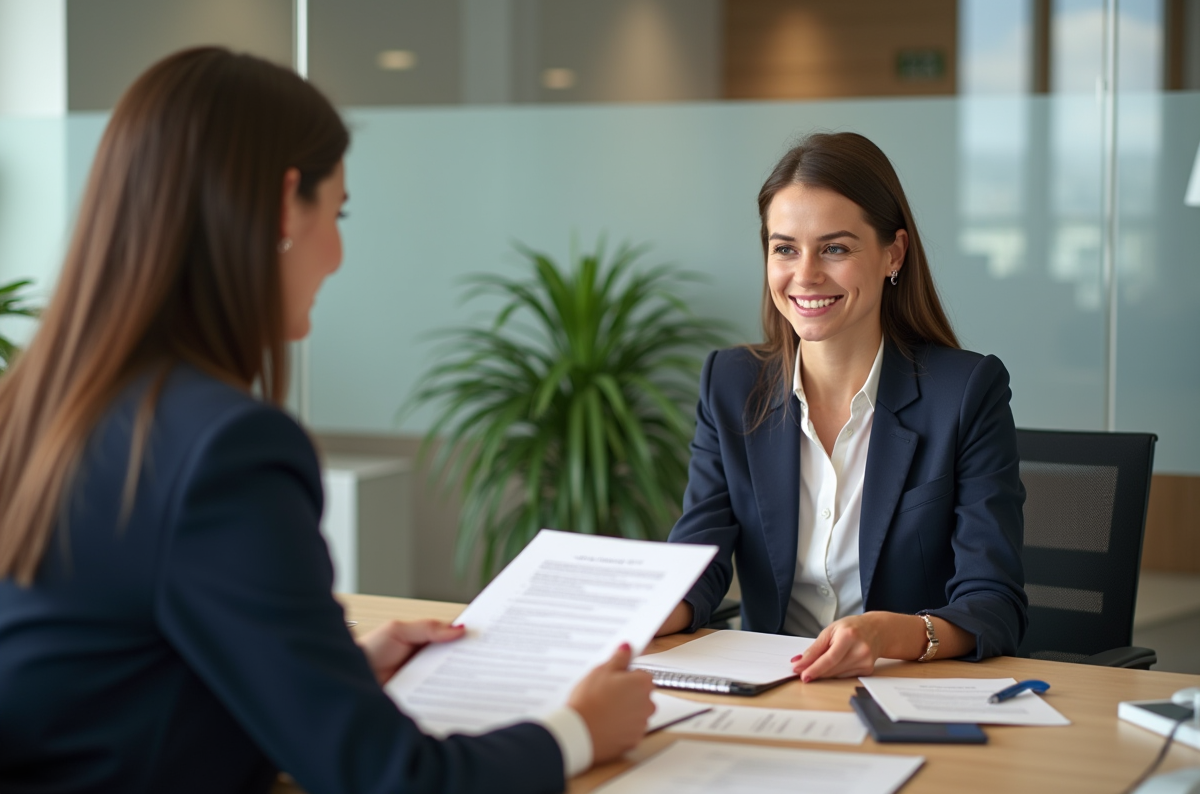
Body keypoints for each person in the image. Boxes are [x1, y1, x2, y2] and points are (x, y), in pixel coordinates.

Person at [0, 47, 652, 794]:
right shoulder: (223, 448)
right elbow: (393, 781)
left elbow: (110, 679)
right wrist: (579, 729)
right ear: (286, 204)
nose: (338, 255)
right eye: (337, 212)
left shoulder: (34, 410)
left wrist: (334, 677)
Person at [658, 132, 1027, 682]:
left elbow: (993, 603)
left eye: (835, 248)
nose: (805, 274)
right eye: (785, 248)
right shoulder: (731, 384)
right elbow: (699, 560)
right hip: (774, 687)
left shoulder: (966, 392)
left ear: (892, 253)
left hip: (901, 686)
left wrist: (886, 635)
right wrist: (650, 613)